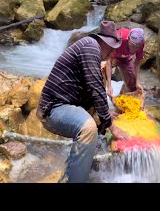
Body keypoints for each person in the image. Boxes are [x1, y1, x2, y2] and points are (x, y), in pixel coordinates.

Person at [36, 20, 129, 183]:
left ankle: (88, 171)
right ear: (106, 43)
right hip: (53, 108)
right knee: (88, 128)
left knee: (98, 126)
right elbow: (95, 88)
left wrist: (106, 116)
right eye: (113, 49)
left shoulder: (90, 47)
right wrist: (111, 125)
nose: (113, 54)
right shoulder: (90, 46)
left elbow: (93, 91)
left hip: (65, 106)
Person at [105, 27, 145, 99]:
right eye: (132, 46)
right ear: (128, 39)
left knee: (132, 82)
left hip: (125, 56)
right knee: (100, 75)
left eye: (137, 47)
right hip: (109, 53)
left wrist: (137, 82)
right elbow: (108, 62)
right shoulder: (118, 40)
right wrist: (109, 85)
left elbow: (137, 62)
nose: (134, 49)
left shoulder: (141, 43)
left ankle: (124, 97)